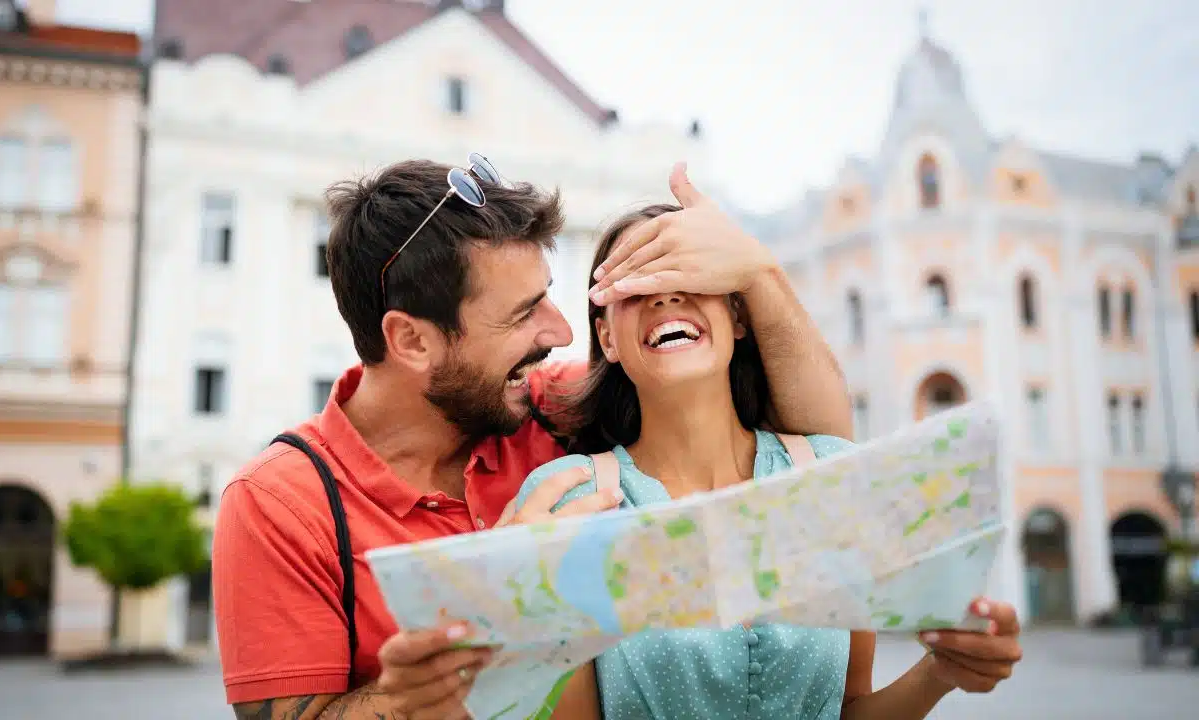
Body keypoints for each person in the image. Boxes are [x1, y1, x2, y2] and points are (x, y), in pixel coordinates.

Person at [213, 155, 853, 720]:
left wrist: (759, 274)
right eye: (524, 314)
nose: (561, 333)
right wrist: (427, 682)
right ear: (413, 340)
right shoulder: (280, 504)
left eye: (548, 298)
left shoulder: (547, 407)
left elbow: (815, 435)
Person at [499, 202, 1022, 719]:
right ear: (608, 337)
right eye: (635, 283)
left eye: (690, 273)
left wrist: (941, 673)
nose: (667, 294)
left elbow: (850, 709)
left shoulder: (832, 475)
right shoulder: (567, 503)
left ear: (738, 315)